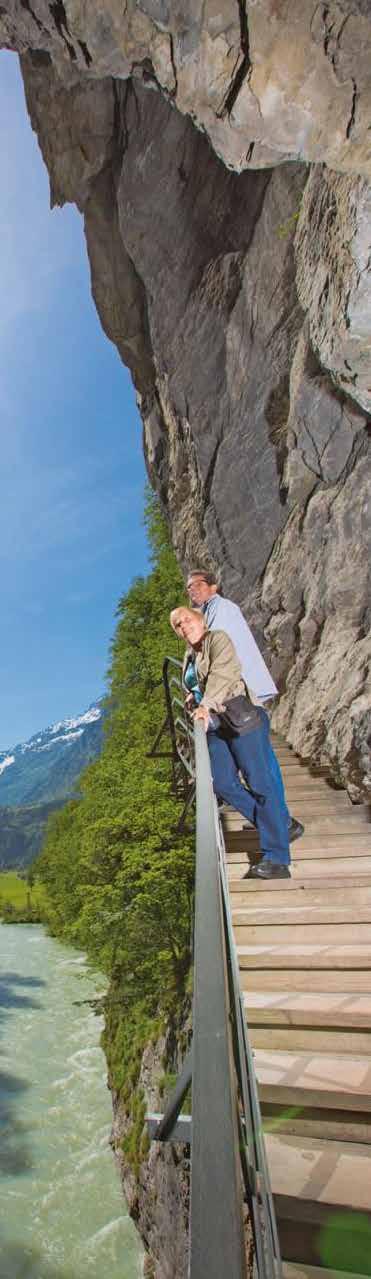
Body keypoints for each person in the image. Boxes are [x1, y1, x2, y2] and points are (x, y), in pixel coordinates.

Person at [170, 606, 291, 879]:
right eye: (177, 625)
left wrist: (206, 704)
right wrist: (192, 695)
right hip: (215, 725)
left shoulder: (218, 638)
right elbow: (197, 684)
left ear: (199, 619)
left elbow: (224, 674)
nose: (183, 626)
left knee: (260, 783)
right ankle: (280, 823)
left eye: (186, 619)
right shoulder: (190, 656)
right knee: (222, 782)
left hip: (239, 715)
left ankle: (277, 858)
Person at [186, 569, 304, 844]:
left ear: (213, 586)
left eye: (198, 585)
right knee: (259, 768)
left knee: (262, 769)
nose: (192, 591)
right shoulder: (215, 611)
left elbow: (218, 665)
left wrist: (205, 698)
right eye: (189, 588)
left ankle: (283, 823)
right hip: (236, 699)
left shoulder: (220, 612)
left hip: (242, 699)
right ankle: (273, 819)